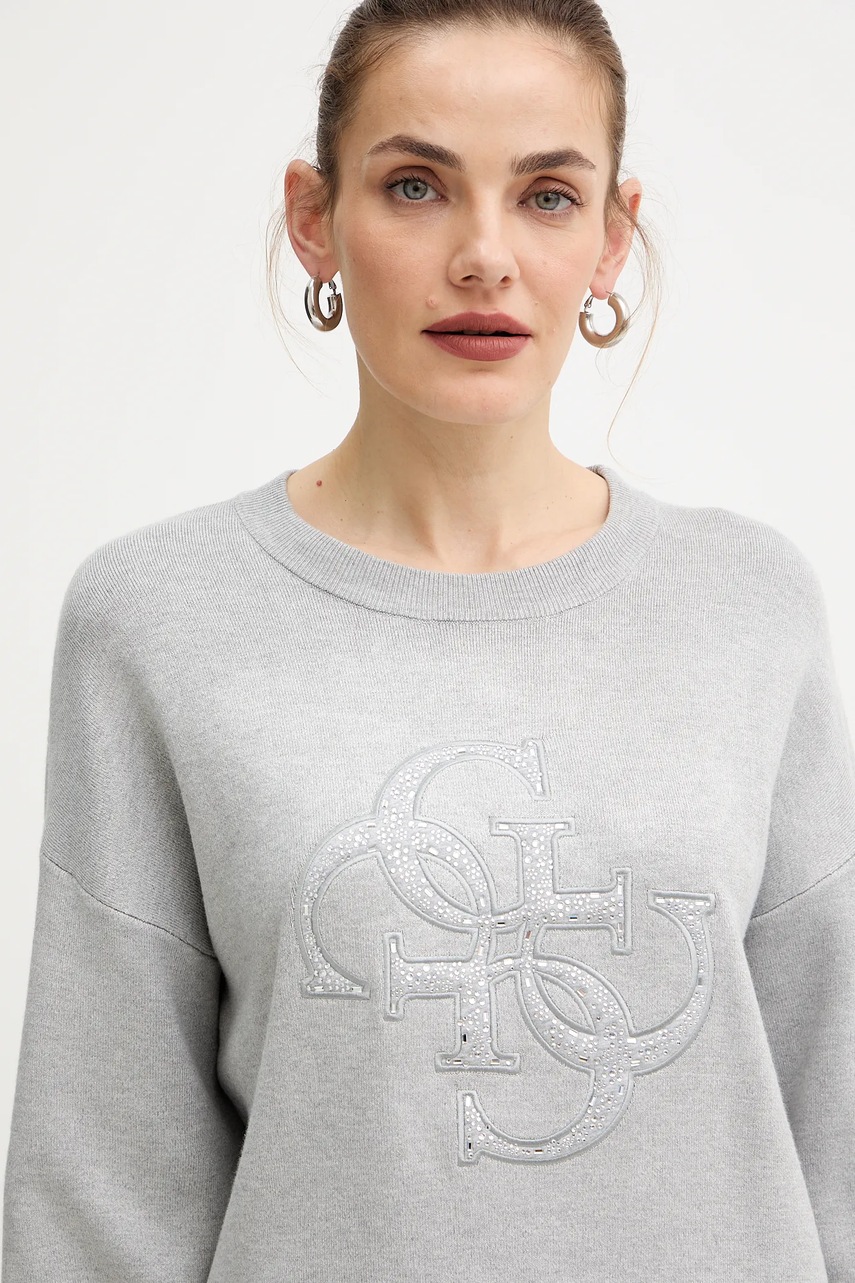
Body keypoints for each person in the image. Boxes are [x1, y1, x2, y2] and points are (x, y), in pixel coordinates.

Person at [3, 1, 853, 1280]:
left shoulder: (751, 603)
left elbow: (834, 1113)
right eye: (415, 185)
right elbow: (98, 1188)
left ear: (614, 235)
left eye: (548, 196)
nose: (485, 256)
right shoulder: (156, 617)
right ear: (314, 216)